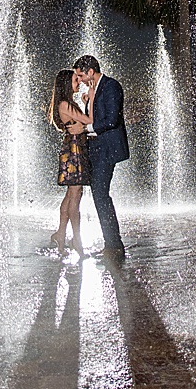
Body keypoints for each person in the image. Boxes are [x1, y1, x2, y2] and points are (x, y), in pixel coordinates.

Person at [69, 55, 128, 262]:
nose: (81, 79)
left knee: (101, 195)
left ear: (91, 71)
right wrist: (88, 104)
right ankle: (111, 243)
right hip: (95, 148)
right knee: (99, 195)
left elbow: (111, 119)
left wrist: (84, 128)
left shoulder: (112, 86)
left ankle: (114, 245)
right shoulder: (94, 89)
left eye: (81, 75)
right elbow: (97, 116)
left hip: (106, 149)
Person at [47, 68, 92, 258]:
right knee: (76, 195)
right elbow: (90, 120)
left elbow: (84, 123)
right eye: (75, 80)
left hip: (73, 148)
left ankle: (60, 234)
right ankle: (77, 241)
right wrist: (90, 99)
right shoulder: (65, 104)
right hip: (74, 150)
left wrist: (84, 105)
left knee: (70, 195)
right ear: (67, 84)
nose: (78, 82)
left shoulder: (67, 103)